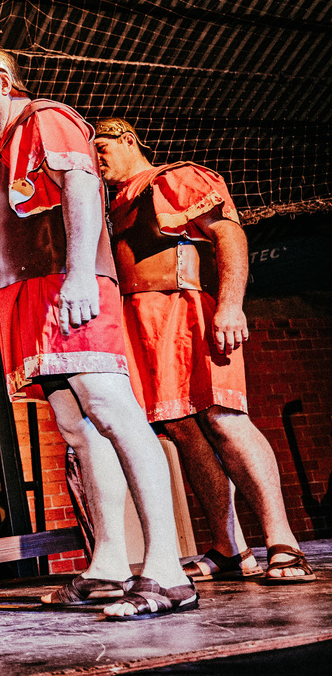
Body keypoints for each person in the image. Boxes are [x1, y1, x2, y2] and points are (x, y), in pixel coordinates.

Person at [0, 47, 193, 619]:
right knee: (77, 428)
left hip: (67, 284)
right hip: (34, 294)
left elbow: (82, 186)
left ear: (2, 80)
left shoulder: (46, 118)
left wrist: (81, 272)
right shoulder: (12, 143)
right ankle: (109, 566)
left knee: (112, 409)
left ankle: (167, 571)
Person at [94, 117, 315, 584]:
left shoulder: (173, 178)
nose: (96, 158)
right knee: (180, 429)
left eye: (102, 147)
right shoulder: (112, 205)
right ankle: (229, 548)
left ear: (127, 139)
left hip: (187, 306)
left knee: (222, 417)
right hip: (141, 322)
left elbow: (228, 234)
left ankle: (284, 544)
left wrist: (230, 305)